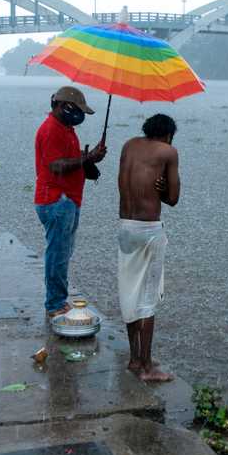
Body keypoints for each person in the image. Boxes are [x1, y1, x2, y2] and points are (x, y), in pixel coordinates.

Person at [116, 113, 180, 382]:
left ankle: (133, 359)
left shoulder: (129, 145)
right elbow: (173, 199)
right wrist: (165, 188)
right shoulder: (168, 151)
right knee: (147, 299)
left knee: (130, 292)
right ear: (168, 135)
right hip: (148, 231)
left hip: (125, 227)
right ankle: (147, 366)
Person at [34, 86, 106, 319]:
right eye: (75, 109)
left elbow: (70, 161)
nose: (78, 115)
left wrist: (89, 160)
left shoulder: (65, 128)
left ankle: (58, 299)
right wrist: (86, 158)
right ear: (60, 106)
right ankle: (55, 303)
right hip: (56, 200)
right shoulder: (52, 130)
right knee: (58, 253)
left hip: (67, 199)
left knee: (63, 252)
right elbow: (56, 166)